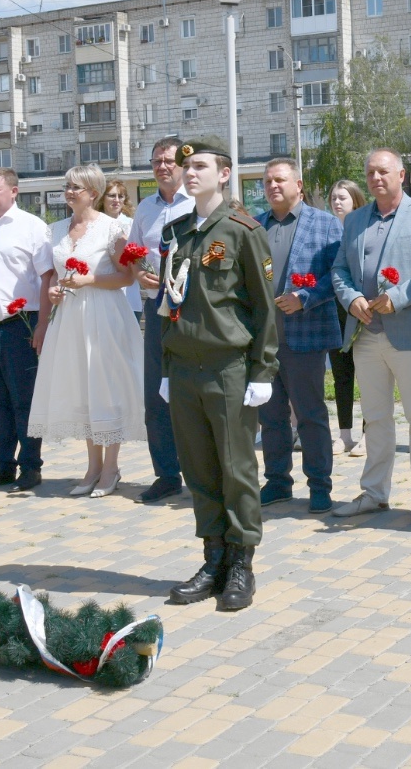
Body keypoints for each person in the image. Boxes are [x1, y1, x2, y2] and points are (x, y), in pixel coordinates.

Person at [157, 136, 279, 610]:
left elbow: (264, 309)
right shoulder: (178, 231)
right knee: (199, 469)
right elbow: (171, 302)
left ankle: (242, 563)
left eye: (200, 167)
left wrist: (262, 371)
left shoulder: (243, 230)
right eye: (185, 167)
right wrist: (166, 367)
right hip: (185, 367)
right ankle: (213, 560)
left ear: (224, 174)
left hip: (228, 367)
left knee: (236, 469)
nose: (189, 173)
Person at [331, 149, 411, 525]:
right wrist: (351, 299)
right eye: (370, 172)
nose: (376, 178)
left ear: (401, 175)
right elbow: (339, 269)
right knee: (375, 419)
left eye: (383, 171)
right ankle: (374, 493)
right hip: (366, 333)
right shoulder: (355, 219)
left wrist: (398, 298)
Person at [31, 164, 145, 498]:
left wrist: (89, 280)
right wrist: (54, 293)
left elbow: (127, 277)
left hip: (104, 315)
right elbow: (55, 275)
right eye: (66, 186)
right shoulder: (55, 230)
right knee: (83, 387)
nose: (69, 192)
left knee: (105, 387)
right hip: (69, 317)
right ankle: (93, 466)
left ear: (93, 193)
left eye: (75, 187)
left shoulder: (112, 228)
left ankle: (111, 467)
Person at [257, 158, 344, 514]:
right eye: (267, 181)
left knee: (310, 414)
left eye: (280, 180)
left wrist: (305, 297)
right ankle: (277, 482)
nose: (273, 186)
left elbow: (339, 274)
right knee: (270, 416)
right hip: (264, 340)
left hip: (305, 336)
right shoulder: (255, 226)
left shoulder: (325, 223)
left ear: (299, 184)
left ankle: (320, 485)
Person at [0, 167, 53, 494]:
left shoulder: (32, 227)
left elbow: (47, 278)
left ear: (14, 191)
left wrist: (43, 325)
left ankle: (31, 466)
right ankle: (2, 464)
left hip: (20, 325)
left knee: (25, 401)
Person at [128, 137, 193, 502]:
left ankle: (202, 472)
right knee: (155, 395)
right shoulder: (145, 209)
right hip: (156, 308)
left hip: (193, 309)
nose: (162, 167)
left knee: (193, 392)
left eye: (169, 160)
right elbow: (134, 253)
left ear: (184, 164)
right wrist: (139, 272)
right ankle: (166, 474)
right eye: (156, 161)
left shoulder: (197, 202)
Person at [327, 179, 366, 456]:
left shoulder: (363, 230)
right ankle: (344, 435)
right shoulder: (328, 233)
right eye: (333, 198)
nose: (337, 202)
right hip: (334, 312)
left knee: (366, 375)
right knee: (341, 375)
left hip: (361, 311)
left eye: (342, 198)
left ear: (355, 200)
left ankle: (368, 433)